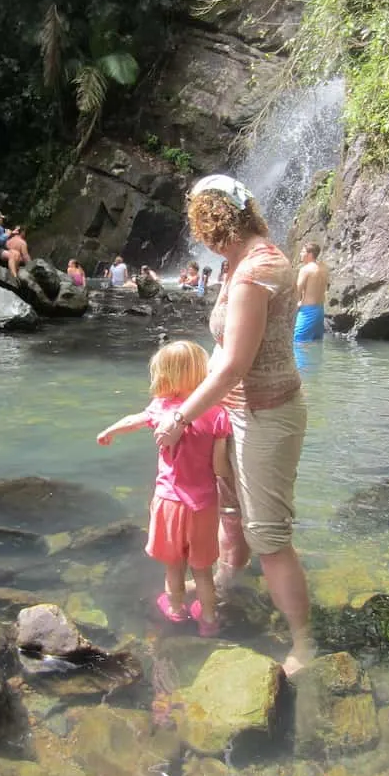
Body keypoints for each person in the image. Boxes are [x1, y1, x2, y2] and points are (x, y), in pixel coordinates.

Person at [155, 174, 312, 676]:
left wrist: (182, 415)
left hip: (265, 414)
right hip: (236, 411)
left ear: (212, 222)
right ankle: (227, 578)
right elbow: (225, 354)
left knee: (269, 535)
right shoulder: (239, 263)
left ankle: (304, 643)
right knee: (229, 509)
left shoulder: (253, 273)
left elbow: (233, 367)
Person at [96, 340, 233, 636]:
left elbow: (134, 420)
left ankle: (175, 611)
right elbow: (220, 467)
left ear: (165, 376)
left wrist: (110, 431)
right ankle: (208, 620)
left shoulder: (161, 409)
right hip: (204, 506)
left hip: (169, 503)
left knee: (174, 567)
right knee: (203, 571)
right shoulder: (217, 413)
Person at [294, 242, 329, 342]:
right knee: (316, 343)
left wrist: (294, 306)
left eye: (302, 251)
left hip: (307, 312)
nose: (300, 253)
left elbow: (297, 290)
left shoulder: (305, 269)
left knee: (298, 343)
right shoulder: (324, 268)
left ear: (309, 254)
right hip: (320, 310)